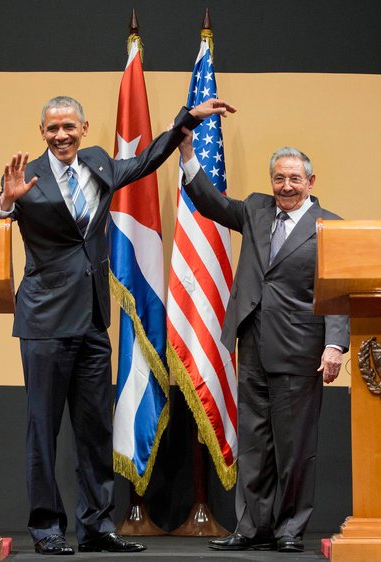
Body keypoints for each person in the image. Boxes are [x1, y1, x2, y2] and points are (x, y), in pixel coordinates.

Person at [0, 95, 236, 556]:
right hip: (44, 323)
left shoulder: (98, 163)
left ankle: (95, 526)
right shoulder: (24, 176)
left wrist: (187, 119)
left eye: (69, 127)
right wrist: (4, 203)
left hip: (94, 323)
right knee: (43, 431)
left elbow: (146, 160)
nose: (61, 135)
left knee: (95, 431)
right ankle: (47, 528)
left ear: (83, 128)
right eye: (53, 128)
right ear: (42, 132)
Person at [178, 130, 349, 553]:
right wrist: (187, 155)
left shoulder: (329, 227)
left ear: (311, 181)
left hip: (300, 350)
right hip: (252, 343)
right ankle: (252, 528)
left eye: (294, 178)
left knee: (294, 448)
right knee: (254, 444)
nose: (286, 186)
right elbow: (213, 204)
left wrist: (334, 345)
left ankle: (289, 529)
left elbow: (339, 292)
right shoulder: (256, 209)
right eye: (279, 178)